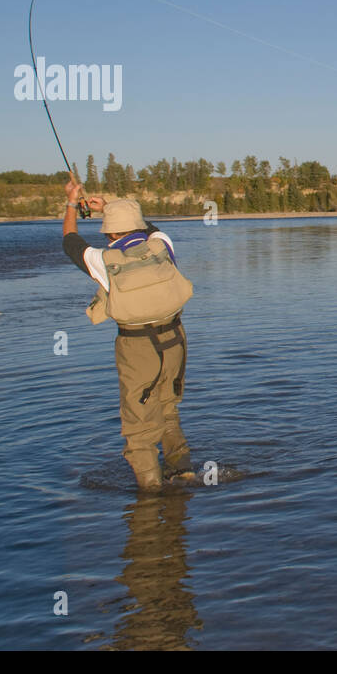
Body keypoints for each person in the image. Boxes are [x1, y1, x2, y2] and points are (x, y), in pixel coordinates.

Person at [62, 178, 195, 490]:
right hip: (176, 340)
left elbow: (70, 240)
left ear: (109, 233)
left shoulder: (104, 261)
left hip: (137, 347)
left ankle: (151, 495)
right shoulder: (163, 246)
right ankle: (182, 471)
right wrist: (111, 207)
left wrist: (71, 203)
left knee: (138, 428)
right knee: (167, 410)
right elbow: (151, 229)